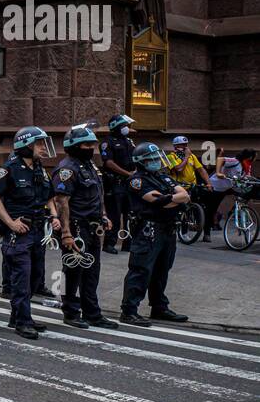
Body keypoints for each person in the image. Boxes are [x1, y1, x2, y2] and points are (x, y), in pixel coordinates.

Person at [0, 127, 61, 340]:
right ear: (26, 145)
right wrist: (10, 223)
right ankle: (23, 321)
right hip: (19, 233)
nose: (43, 148)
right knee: (22, 277)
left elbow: (50, 195)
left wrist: (55, 216)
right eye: (39, 144)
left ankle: (17, 315)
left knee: (36, 277)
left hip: (38, 230)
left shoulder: (40, 169)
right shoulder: (10, 169)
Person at [51, 123, 118, 329]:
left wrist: (104, 215)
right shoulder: (66, 169)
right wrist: (66, 233)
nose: (91, 148)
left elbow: (98, 193)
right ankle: (70, 312)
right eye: (86, 144)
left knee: (92, 272)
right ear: (74, 146)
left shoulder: (90, 166)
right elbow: (62, 202)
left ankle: (92, 312)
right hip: (76, 228)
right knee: (72, 271)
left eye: (92, 144)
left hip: (92, 227)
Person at [120, 143, 189, 326]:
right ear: (142, 162)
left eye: (157, 157)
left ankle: (159, 307)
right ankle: (129, 310)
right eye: (152, 159)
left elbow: (184, 195)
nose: (157, 161)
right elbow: (158, 201)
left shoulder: (162, 177)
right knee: (141, 270)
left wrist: (170, 199)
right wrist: (173, 200)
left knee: (162, 270)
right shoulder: (137, 180)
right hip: (148, 230)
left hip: (168, 229)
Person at [100, 113, 137, 254]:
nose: (126, 128)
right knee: (114, 215)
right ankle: (109, 244)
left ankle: (128, 243)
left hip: (129, 184)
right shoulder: (107, 142)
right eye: (124, 126)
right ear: (116, 127)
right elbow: (109, 163)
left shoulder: (129, 141)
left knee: (130, 214)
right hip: (114, 183)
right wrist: (127, 174)